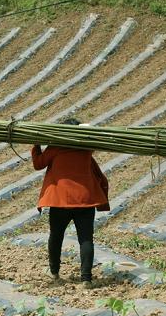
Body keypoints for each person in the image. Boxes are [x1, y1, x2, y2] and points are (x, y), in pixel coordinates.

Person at [31, 118, 110, 288]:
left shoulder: (56, 147)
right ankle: (86, 279)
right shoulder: (86, 147)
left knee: (56, 236)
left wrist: (36, 144)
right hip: (85, 201)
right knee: (86, 239)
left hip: (60, 202)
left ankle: (55, 272)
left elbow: (38, 164)